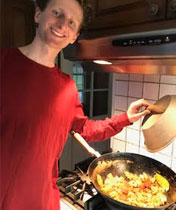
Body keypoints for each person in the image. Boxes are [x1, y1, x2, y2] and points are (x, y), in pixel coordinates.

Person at [0, 0, 151, 209]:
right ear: (37, 14)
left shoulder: (68, 87)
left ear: (74, 38)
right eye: (57, 13)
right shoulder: (4, 62)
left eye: (72, 22)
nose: (63, 24)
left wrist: (125, 118)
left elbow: (86, 130)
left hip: (44, 201)